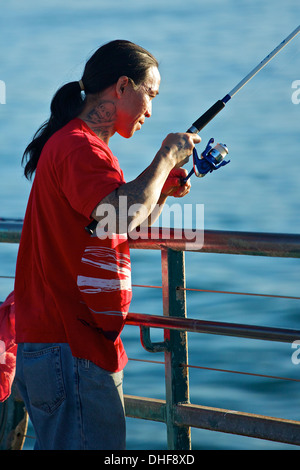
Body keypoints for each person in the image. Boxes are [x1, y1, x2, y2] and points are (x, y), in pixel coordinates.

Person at [14, 40, 201, 450]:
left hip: (65, 346)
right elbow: (117, 214)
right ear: (121, 86)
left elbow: (118, 227)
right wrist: (167, 156)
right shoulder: (80, 147)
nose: (150, 110)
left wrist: (162, 190)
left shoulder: (83, 144)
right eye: (149, 94)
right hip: (69, 348)